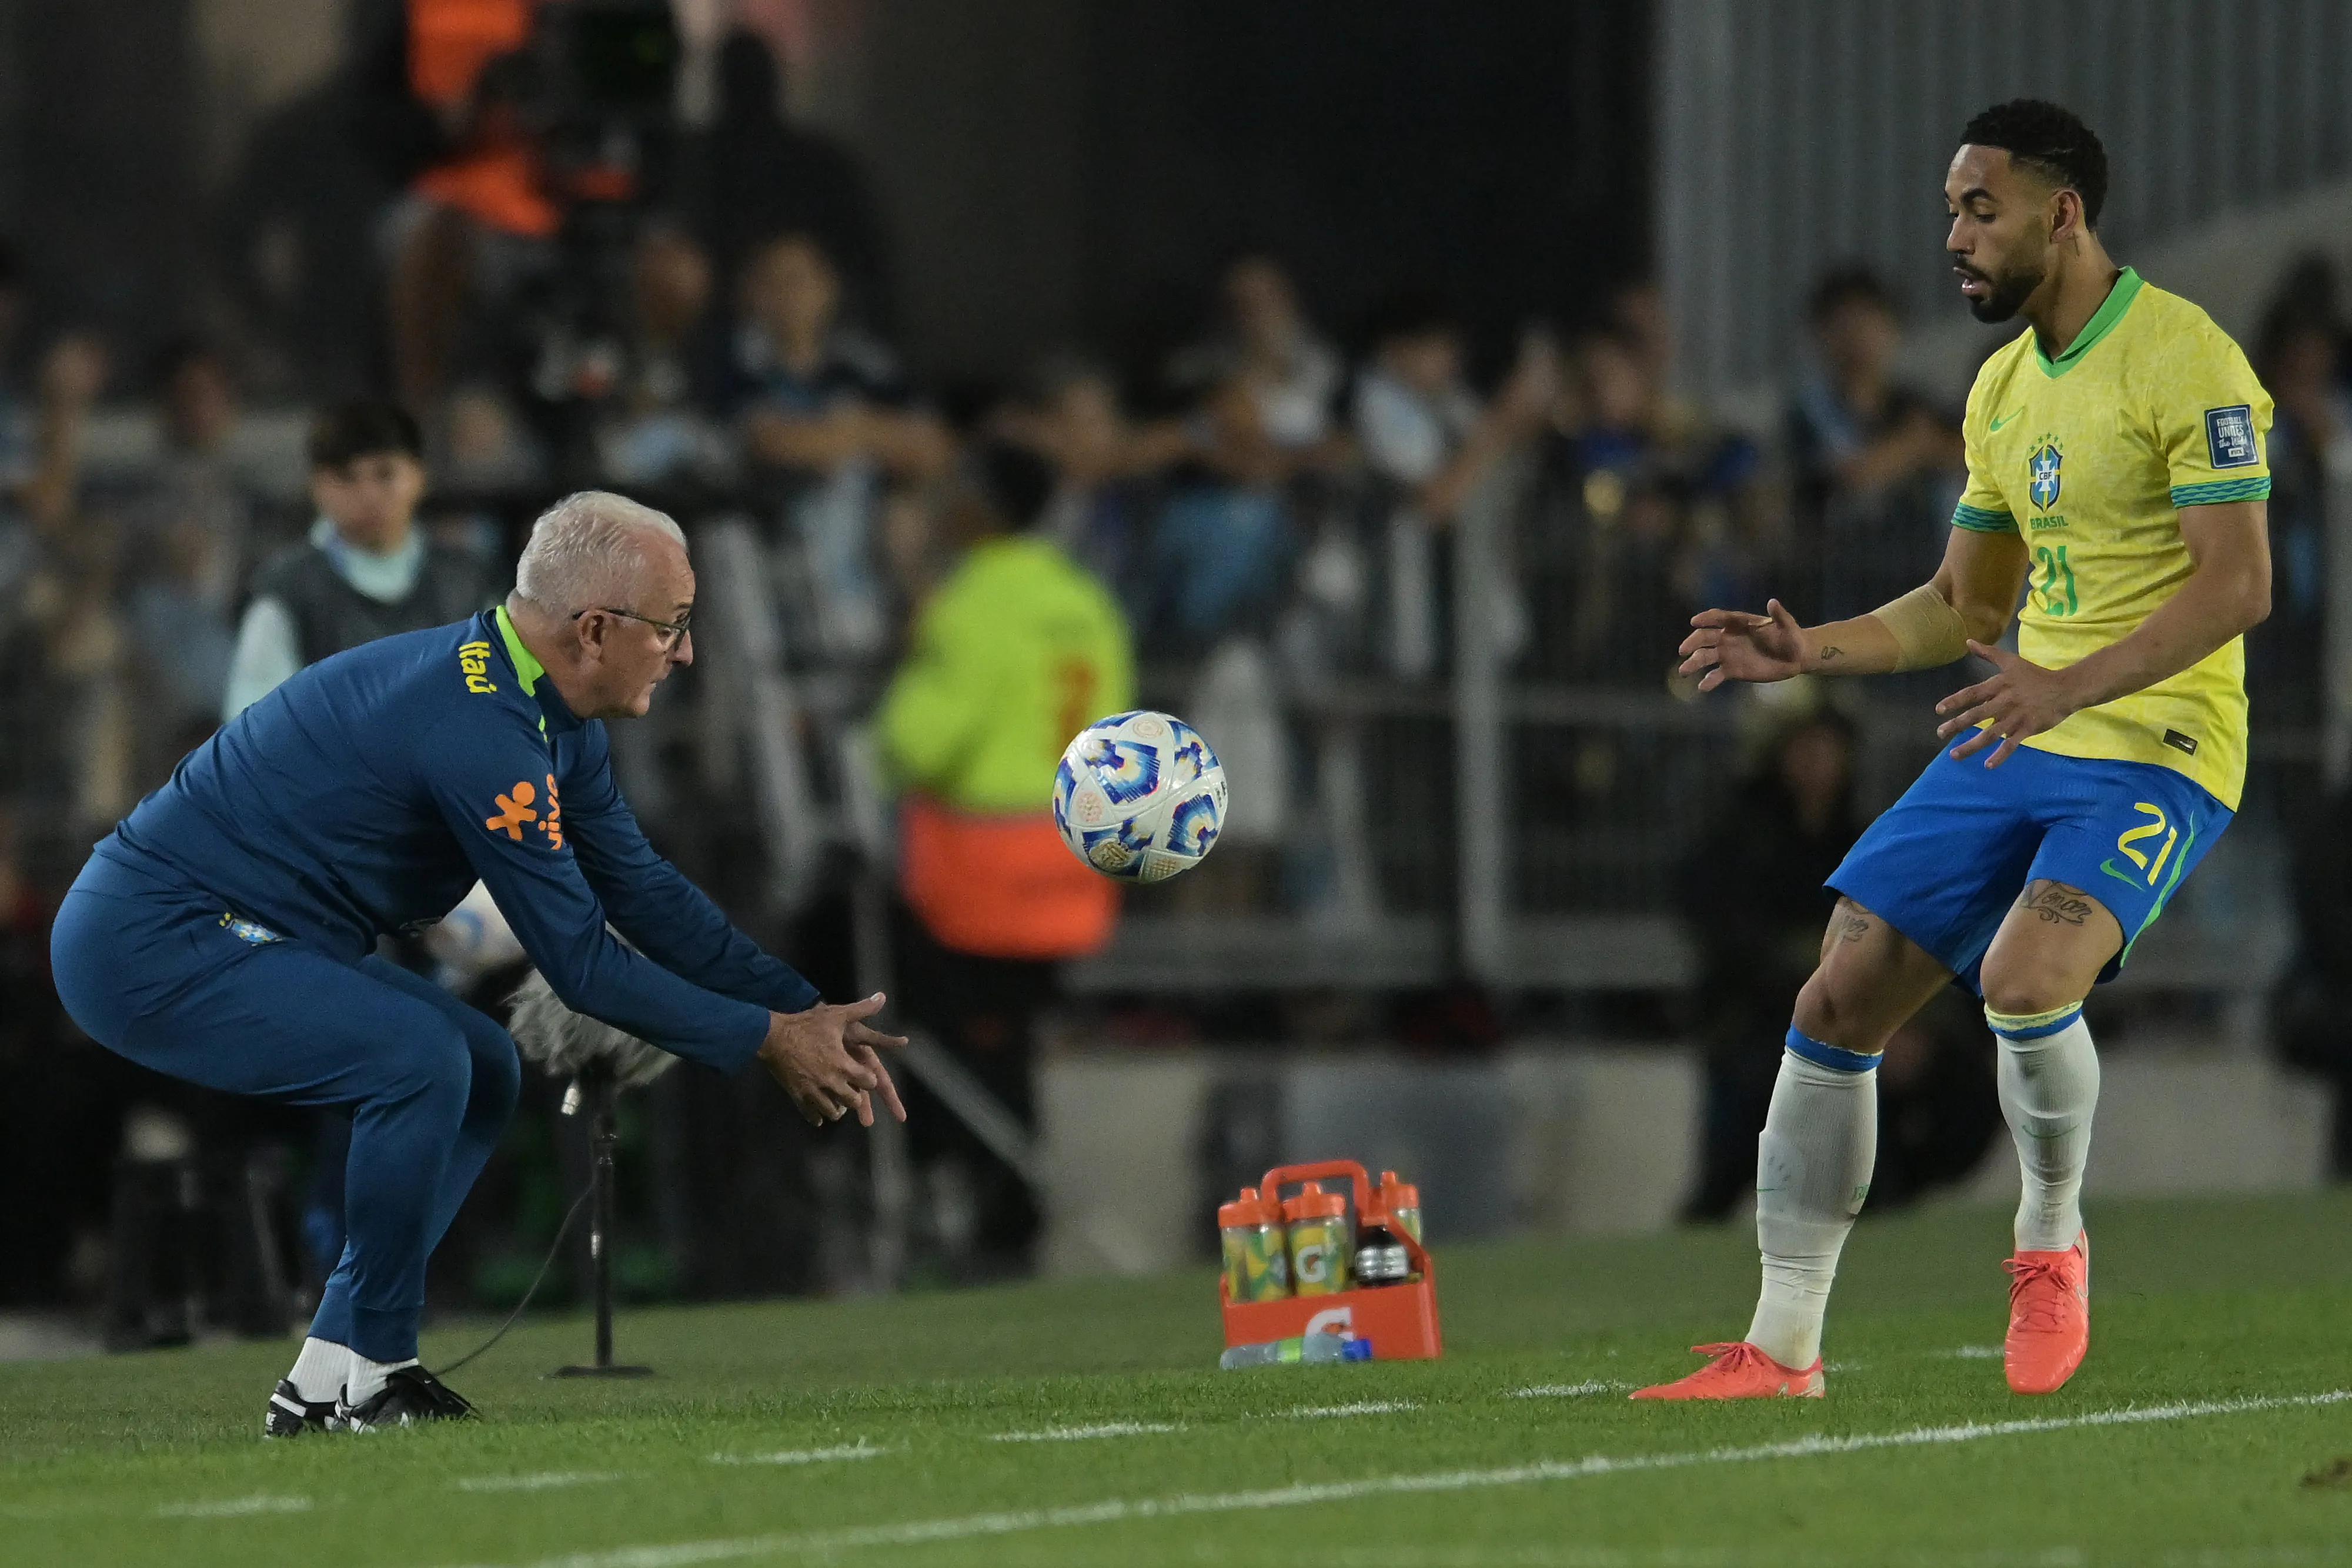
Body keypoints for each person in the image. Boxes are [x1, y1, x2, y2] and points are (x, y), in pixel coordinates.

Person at [1643, 101, 2273, 1400]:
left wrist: (2071, 683)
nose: (1953, 236)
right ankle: (1782, 1348)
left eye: (1977, 209)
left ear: (2061, 213)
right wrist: (1804, 649)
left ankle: (2048, 1242)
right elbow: (1966, 608)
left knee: (2025, 974)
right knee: (1831, 1000)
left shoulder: (2184, 359)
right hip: (2023, 717)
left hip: (2158, 737)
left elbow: (2235, 585)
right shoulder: (1998, 388)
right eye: (1948, 210)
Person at [49, 492, 907, 1434]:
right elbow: (582, 965)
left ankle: (331, 1373)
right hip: (153, 937)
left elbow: (645, 892)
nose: (687, 651)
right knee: (418, 1056)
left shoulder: (543, 709)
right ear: (592, 628)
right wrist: (768, 1037)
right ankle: (373, 1370)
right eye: (674, 626)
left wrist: (804, 1006)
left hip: (236, 928)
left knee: (484, 1064)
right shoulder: (482, 730)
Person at [876, 442, 1134, 1276]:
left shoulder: (970, 602)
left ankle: (984, 1202)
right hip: (1076, 860)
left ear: (984, 506)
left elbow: (917, 742)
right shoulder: (1086, 600)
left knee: (945, 1035)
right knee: (1006, 1039)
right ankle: (1006, 1207)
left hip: (980, 869)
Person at [225, 399, 499, 718]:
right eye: (346, 477)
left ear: (420, 477)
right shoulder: (287, 595)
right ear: (318, 487)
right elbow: (254, 733)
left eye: (385, 474)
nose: (368, 494)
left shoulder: (469, 583)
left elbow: (505, 709)